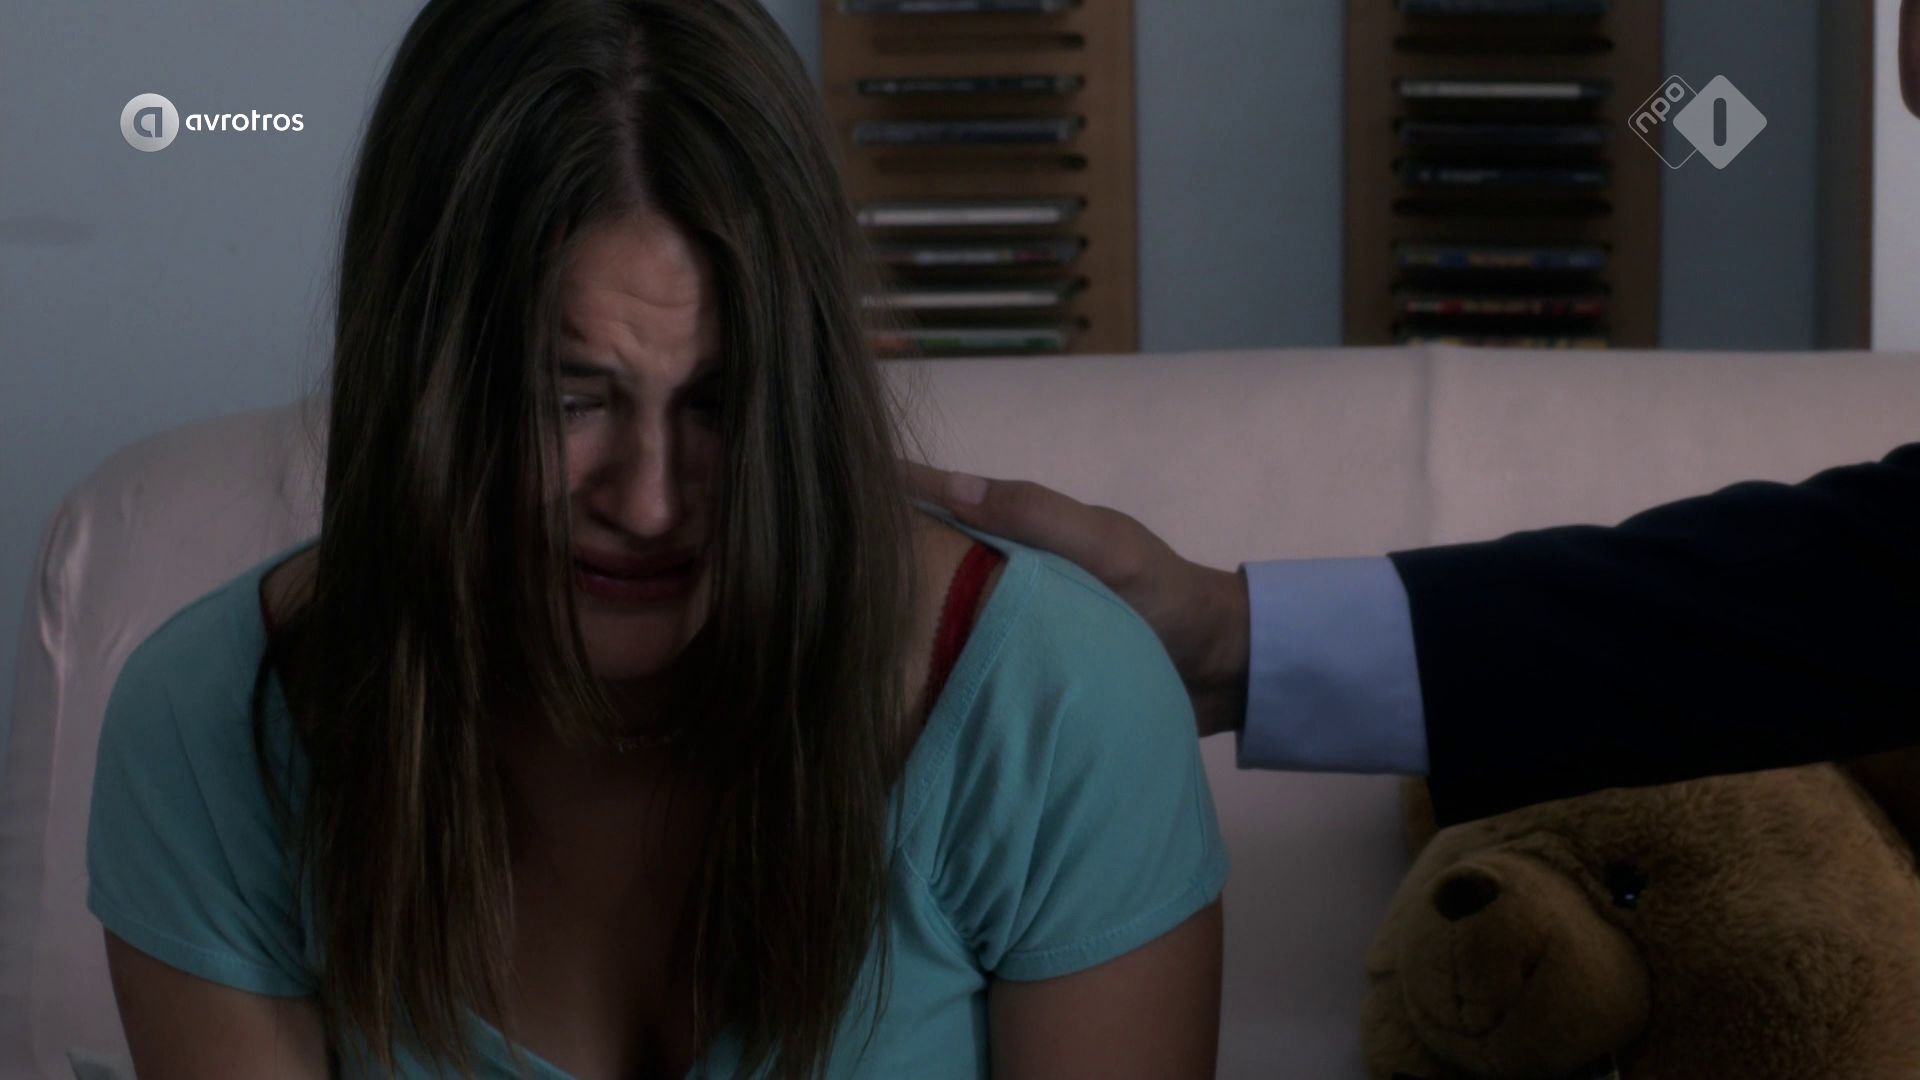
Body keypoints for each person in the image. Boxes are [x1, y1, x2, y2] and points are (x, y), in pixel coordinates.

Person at [82, 2, 1226, 1078]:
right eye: (567, 401)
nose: (650, 503)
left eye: (722, 403)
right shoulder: (215, 729)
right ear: (420, 385)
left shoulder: (1057, 705)